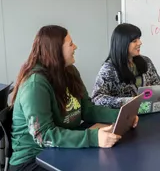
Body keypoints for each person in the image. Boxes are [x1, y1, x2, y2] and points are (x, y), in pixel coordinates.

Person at [9, 25, 138, 171]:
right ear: (55, 50)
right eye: (70, 44)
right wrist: (93, 138)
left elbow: (87, 109)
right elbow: (44, 136)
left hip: (62, 148)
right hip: (34, 158)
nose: (75, 47)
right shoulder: (35, 84)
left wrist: (121, 116)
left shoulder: (70, 71)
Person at [91, 23, 160, 108]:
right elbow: (97, 98)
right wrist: (128, 101)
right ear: (123, 44)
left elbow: (159, 85)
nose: (140, 43)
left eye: (139, 39)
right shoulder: (109, 69)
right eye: (134, 41)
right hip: (127, 117)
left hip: (149, 112)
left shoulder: (146, 61)